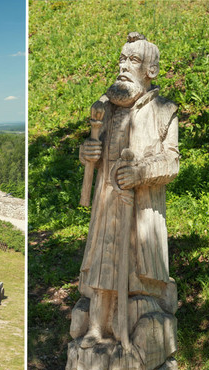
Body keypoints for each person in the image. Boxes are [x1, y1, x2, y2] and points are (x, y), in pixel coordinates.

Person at [77, 32, 178, 348]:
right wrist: (87, 154)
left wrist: (142, 172)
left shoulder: (163, 110)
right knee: (102, 264)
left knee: (135, 268)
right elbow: (94, 149)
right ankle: (97, 327)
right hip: (107, 201)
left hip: (140, 208)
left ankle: (131, 329)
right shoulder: (106, 109)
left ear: (151, 70)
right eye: (122, 58)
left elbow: (172, 162)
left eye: (133, 59)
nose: (123, 65)